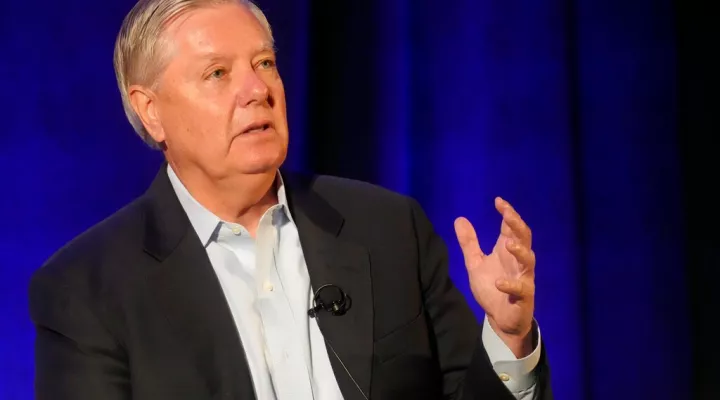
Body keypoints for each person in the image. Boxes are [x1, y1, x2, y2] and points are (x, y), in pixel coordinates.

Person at [29, 0, 552, 399]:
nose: (257, 90)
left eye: (264, 63)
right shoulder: (87, 290)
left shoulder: (388, 229)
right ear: (151, 111)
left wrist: (509, 338)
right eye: (218, 74)